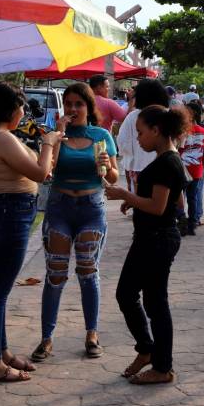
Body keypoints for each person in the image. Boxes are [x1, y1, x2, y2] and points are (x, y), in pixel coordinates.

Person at [0, 83, 65, 383]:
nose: (24, 113)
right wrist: (48, 143)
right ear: (9, 109)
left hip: (2, 210)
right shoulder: (2, 138)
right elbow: (40, 173)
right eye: (21, 107)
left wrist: (53, 140)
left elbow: (44, 170)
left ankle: (2, 352)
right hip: (11, 213)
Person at [31, 83, 119, 363]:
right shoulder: (55, 136)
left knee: (87, 272)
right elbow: (48, 171)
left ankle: (92, 334)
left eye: (78, 104)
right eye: (68, 103)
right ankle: (46, 339)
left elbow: (113, 177)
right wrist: (56, 137)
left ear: (88, 107)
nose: (72, 108)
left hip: (91, 209)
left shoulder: (101, 136)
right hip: (60, 209)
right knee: (55, 275)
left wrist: (106, 164)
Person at [106, 105, 189, 385]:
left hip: (155, 240)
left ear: (157, 130)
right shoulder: (169, 161)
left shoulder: (166, 163)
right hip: (155, 237)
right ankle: (150, 353)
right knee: (147, 300)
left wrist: (124, 195)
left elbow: (158, 206)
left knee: (138, 298)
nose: (138, 138)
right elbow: (175, 202)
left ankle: (157, 360)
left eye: (141, 133)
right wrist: (134, 203)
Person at [117, 79, 169, 192]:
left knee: (140, 205)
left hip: (139, 169)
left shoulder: (133, 117)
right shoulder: (167, 114)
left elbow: (123, 144)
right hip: (166, 170)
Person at [179, 101, 204, 235]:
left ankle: (182, 224)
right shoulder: (203, 131)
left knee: (180, 198)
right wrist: (202, 168)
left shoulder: (183, 131)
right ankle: (192, 225)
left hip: (183, 170)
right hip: (197, 170)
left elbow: (178, 148)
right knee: (192, 198)